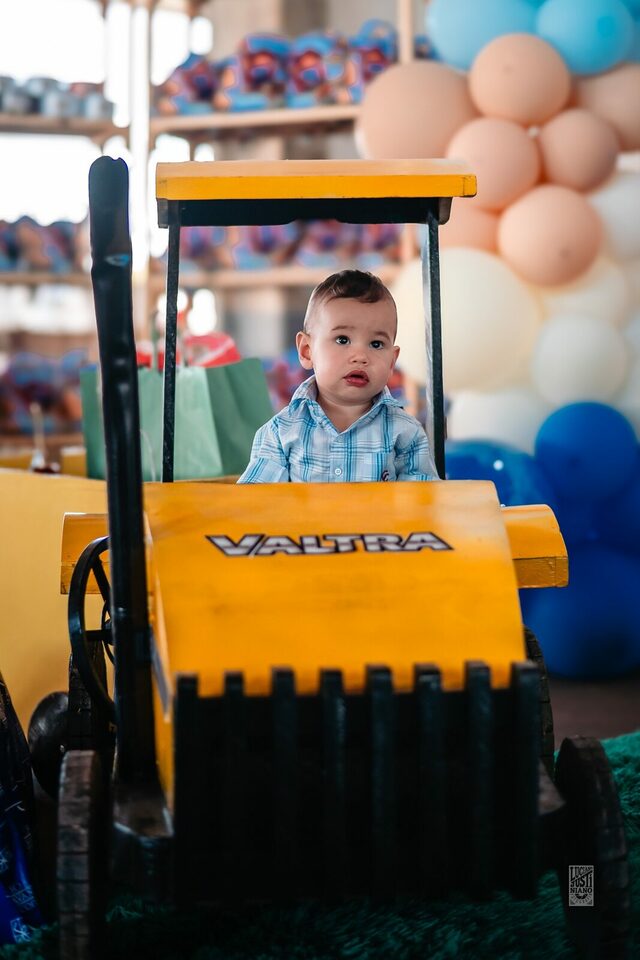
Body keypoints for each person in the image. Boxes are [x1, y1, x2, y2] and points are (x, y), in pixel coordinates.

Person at [237, 269, 437, 483]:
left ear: (391, 362)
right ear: (307, 350)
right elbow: (256, 500)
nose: (360, 356)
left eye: (376, 344)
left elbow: (421, 500)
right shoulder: (281, 432)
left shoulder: (405, 433)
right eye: (342, 340)